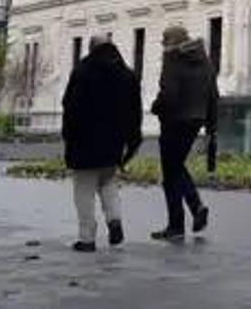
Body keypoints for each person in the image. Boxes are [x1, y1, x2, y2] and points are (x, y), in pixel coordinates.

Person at [61, 35, 142, 253]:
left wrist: (68, 137)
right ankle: (114, 220)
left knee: (84, 190)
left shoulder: (82, 72)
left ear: (91, 49)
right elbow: (135, 112)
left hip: (84, 142)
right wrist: (132, 142)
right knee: (108, 183)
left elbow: (70, 107)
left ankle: (87, 238)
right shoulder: (127, 75)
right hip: (114, 143)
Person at [150, 25, 218, 241]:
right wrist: (211, 127)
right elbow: (213, 96)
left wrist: (156, 107)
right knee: (176, 167)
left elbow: (169, 93)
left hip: (173, 120)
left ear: (172, 41)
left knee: (171, 172)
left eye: (164, 41)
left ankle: (180, 222)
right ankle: (190, 212)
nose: (163, 45)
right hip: (195, 120)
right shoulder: (205, 60)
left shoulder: (172, 58)